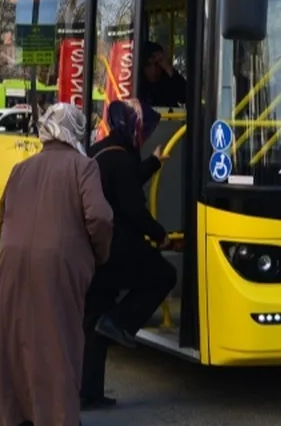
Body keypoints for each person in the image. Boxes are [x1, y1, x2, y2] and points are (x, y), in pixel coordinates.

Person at [0, 103, 114, 426]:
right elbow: (99, 217)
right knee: (57, 341)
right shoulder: (84, 167)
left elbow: (3, 215)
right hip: (59, 264)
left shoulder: (21, 168)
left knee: (13, 337)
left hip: (12, 261)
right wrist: (98, 255)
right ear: (75, 131)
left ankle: (15, 414)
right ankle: (56, 417)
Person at [81, 99, 178, 410]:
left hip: (92, 251)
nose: (145, 135)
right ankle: (121, 322)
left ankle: (88, 393)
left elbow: (125, 182)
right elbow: (134, 210)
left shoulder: (99, 152)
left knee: (93, 321)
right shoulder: (121, 161)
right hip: (118, 249)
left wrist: (153, 163)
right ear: (131, 127)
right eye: (143, 129)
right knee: (164, 275)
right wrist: (161, 235)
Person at [138, 41, 188, 107]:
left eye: (157, 64)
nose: (154, 70)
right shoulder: (137, 84)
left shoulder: (168, 81)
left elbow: (186, 97)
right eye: (148, 65)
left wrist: (168, 68)